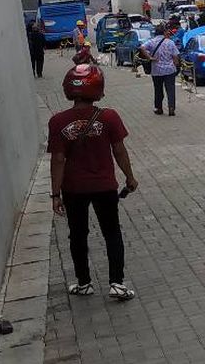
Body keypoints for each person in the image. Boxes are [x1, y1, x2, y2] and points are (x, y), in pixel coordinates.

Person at [49, 64, 138, 301]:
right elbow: (119, 151)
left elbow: (58, 159)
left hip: (73, 189)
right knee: (112, 233)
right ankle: (117, 283)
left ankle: (84, 282)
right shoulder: (109, 117)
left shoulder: (57, 122)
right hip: (104, 186)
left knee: (78, 235)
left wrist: (55, 194)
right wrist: (129, 177)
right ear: (98, 89)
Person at [139, 23, 181, 116]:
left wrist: (150, 57)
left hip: (156, 70)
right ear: (164, 32)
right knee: (170, 90)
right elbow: (175, 56)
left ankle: (158, 108)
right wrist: (176, 64)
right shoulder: (170, 42)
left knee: (158, 90)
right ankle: (171, 108)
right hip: (169, 70)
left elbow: (142, 48)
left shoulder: (151, 42)